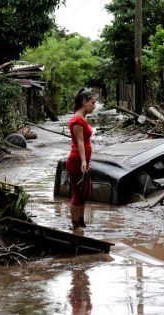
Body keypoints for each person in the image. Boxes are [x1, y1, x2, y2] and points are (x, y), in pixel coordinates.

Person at [66, 88, 97, 230]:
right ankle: (75, 226)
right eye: (93, 102)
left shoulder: (83, 118)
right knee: (78, 194)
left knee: (85, 193)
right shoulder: (77, 120)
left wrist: (86, 161)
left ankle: (81, 222)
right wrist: (84, 161)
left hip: (83, 161)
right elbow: (79, 143)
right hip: (77, 161)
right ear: (84, 102)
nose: (94, 106)